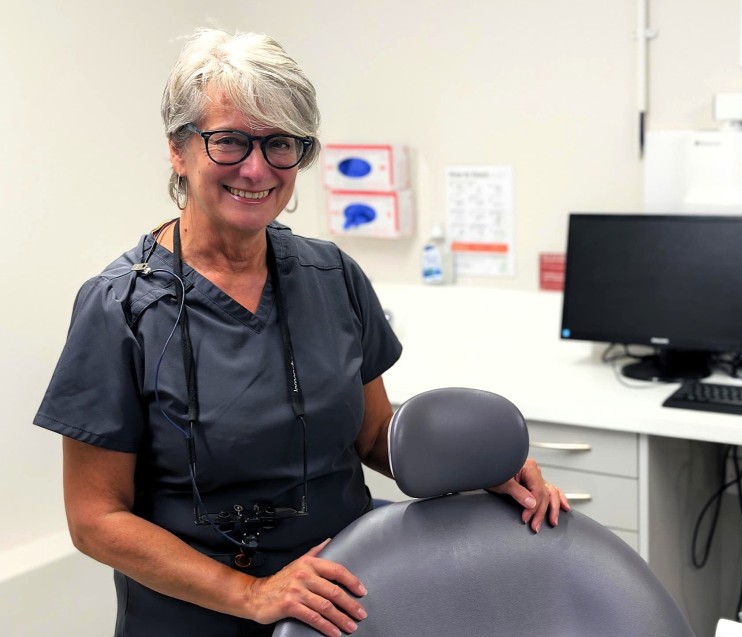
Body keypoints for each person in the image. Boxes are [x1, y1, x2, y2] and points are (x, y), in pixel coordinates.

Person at [33, 27, 570, 637]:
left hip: (342, 601)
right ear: (179, 150)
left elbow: (373, 434)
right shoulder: (119, 308)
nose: (256, 168)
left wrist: (476, 466)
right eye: (229, 141)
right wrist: (251, 594)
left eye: (280, 143)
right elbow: (96, 518)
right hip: (197, 616)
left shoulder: (331, 275)